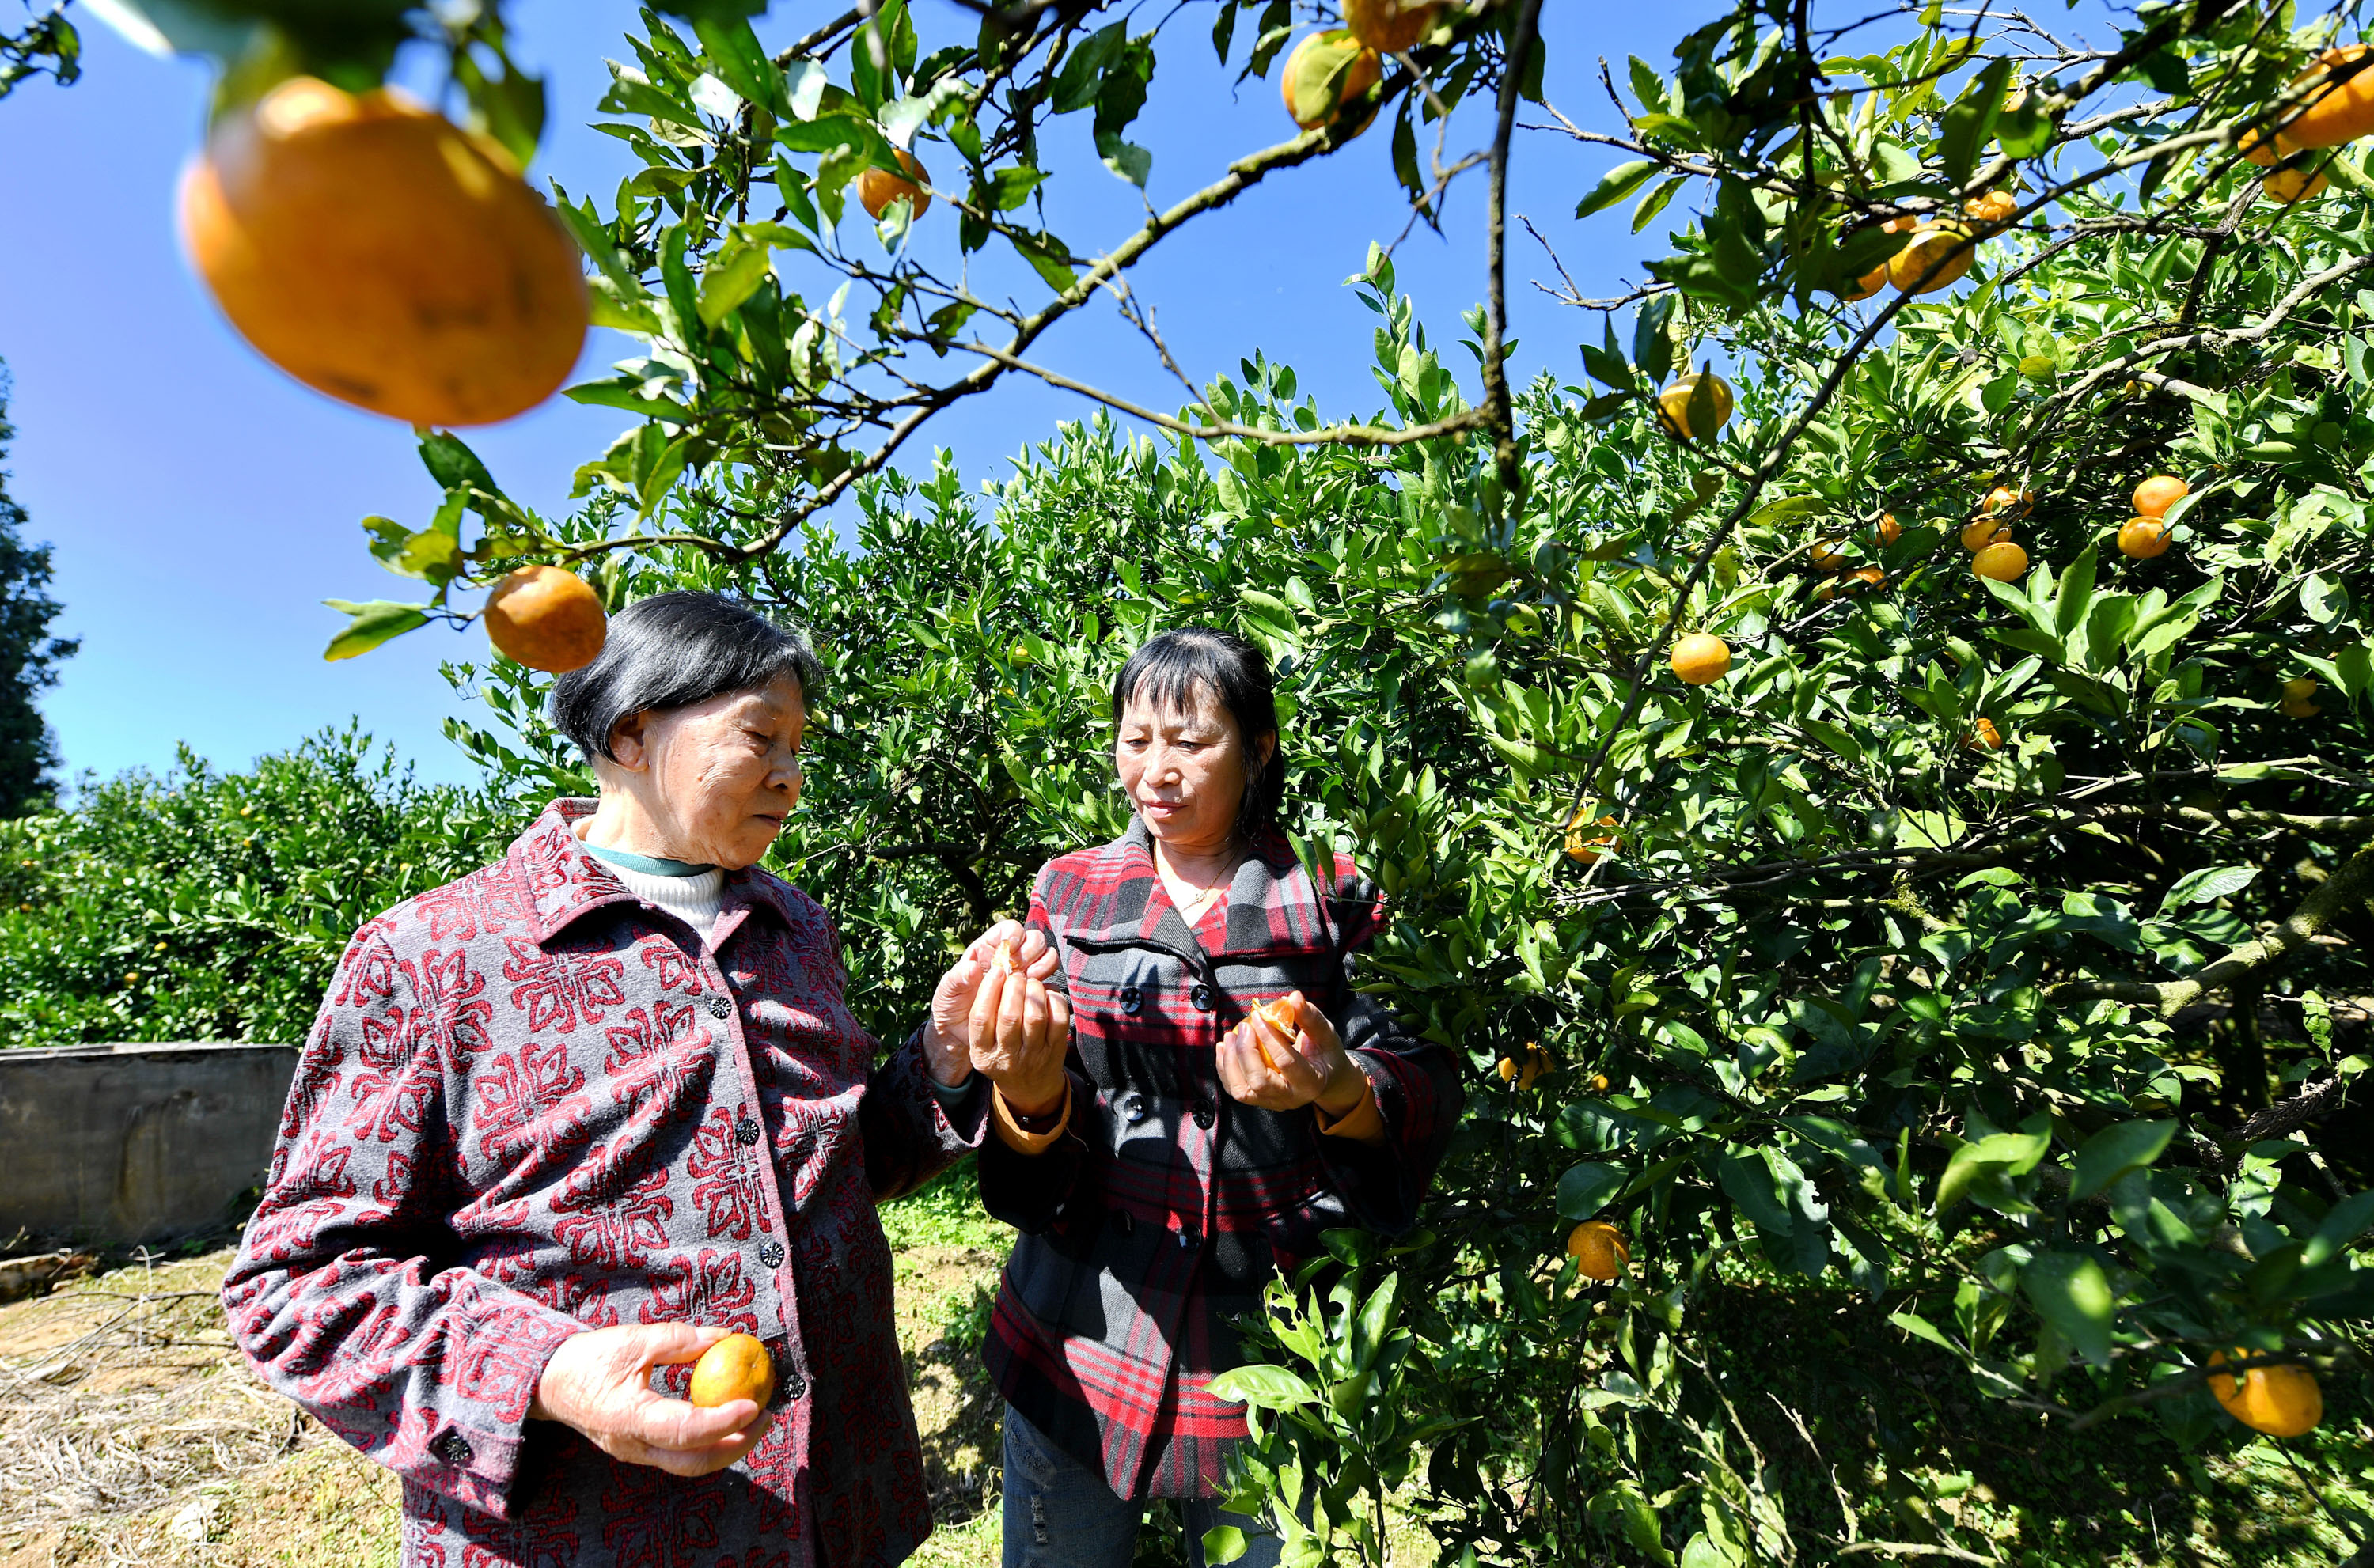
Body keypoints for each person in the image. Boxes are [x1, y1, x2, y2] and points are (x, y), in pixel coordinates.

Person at [220, 591, 1062, 1568]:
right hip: (583, 1534)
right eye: (762, 737)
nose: (791, 777)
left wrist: (947, 1056)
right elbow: (300, 1284)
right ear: (631, 730)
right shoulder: (438, 955)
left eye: (800, 746)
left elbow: (832, 1172)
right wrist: (552, 1371)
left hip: (837, 1513)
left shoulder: (798, 933)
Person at [961, 627, 1462, 1567]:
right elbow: (1044, 1107)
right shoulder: (1069, 889)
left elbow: (1420, 1069)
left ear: (1258, 748)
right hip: (1078, 1327)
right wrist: (1025, 1089)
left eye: (1190, 741)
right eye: (1136, 738)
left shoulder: (1332, 892)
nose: (1156, 769)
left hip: (1263, 1332)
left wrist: (1338, 1084)